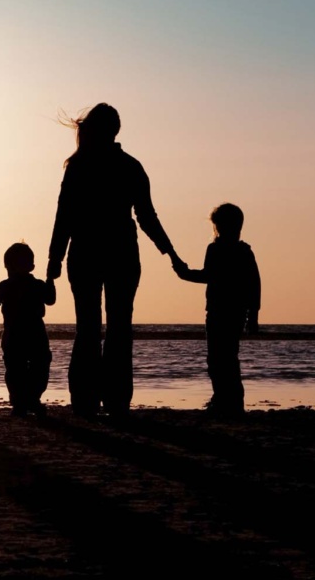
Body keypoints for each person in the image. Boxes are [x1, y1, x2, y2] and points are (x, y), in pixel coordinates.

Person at [47, 103, 182, 418]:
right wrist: (170, 252)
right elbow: (147, 217)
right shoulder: (129, 166)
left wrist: (55, 258)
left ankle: (85, 400)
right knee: (119, 327)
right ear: (115, 130)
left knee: (89, 328)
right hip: (120, 253)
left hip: (86, 253)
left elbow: (64, 214)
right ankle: (116, 401)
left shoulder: (79, 166)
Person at [173, 203, 261, 417]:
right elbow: (254, 285)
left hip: (219, 311)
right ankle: (230, 400)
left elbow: (208, 276)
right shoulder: (244, 252)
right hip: (235, 312)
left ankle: (224, 400)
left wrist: (184, 274)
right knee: (228, 356)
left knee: (218, 358)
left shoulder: (216, 249)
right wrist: (253, 314)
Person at [0, 242, 56, 417]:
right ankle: (24, 401)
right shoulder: (25, 285)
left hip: (22, 334)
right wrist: (50, 280)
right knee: (24, 368)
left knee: (26, 367)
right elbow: (51, 299)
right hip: (24, 334)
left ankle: (26, 400)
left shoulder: (11, 285)